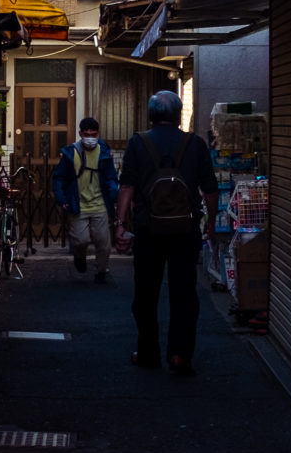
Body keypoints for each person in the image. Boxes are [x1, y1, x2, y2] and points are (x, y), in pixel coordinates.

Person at [116, 90, 216, 374]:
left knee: (145, 294)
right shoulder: (195, 144)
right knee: (184, 292)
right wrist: (209, 221)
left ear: (151, 116)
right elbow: (209, 189)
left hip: (149, 229)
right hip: (186, 229)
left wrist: (120, 225)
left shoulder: (138, 143)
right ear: (177, 115)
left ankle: (148, 352)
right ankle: (180, 355)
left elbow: (126, 187)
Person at [51, 116, 119, 284]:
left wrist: (114, 196)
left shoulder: (104, 152)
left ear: (98, 134)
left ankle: (101, 272)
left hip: (100, 203)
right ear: (80, 133)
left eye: (93, 134)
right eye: (86, 133)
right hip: (77, 204)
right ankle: (79, 257)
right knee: (80, 240)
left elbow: (110, 177)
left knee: (103, 242)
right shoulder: (70, 153)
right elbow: (58, 178)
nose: (90, 137)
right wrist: (61, 198)